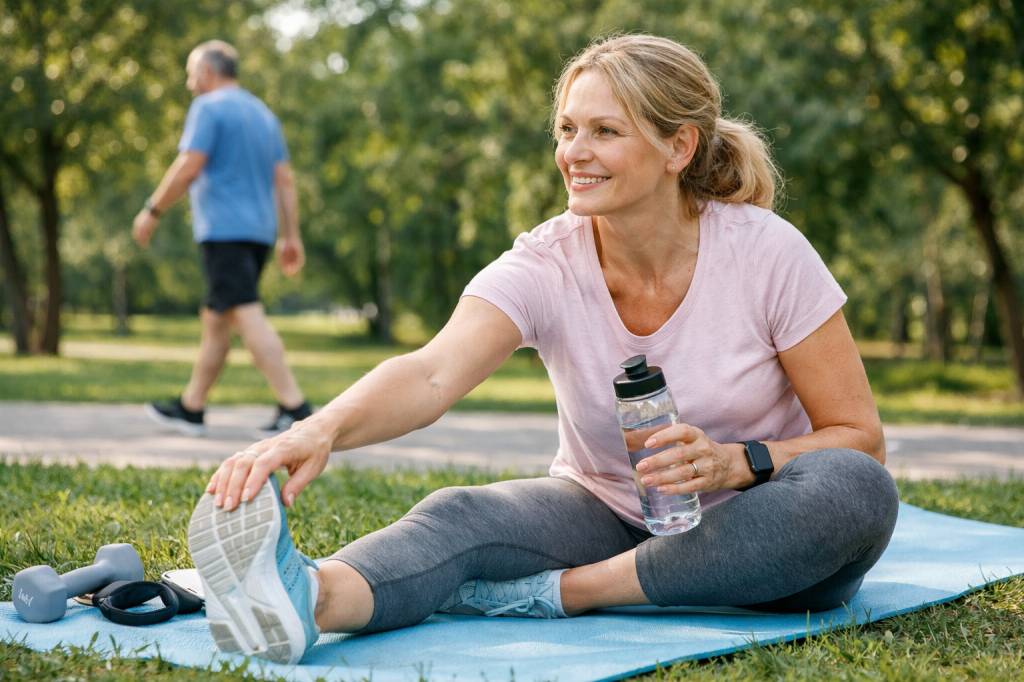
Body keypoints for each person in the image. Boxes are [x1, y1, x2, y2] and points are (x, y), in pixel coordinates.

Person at [186, 34, 899, 665]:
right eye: (566, 129)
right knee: (461, 515)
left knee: (857, 491)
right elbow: (433, 371)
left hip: (766, 540)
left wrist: (736, 462)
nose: (573, 154)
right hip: (603, 513)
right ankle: (306, 599)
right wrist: (318, 430)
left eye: (604, 132)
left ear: (678, 147)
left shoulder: (766, 252)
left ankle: (567, 595)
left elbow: (860, 438)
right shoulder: (546, 262)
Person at [132, 40, 312, 437]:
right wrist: (290, 235)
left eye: (191, 72)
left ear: (210, 72)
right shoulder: (264, 115)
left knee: (246, 315)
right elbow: (284, 179)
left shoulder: (208, 108)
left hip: (224, 231)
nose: (188, 82)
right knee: (217, 321)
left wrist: (153, 209)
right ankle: (191, 407)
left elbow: (189, 164)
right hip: (259, 234)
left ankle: (295, 408)